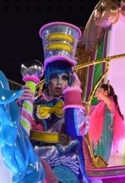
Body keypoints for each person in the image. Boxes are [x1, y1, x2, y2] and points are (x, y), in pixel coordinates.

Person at [18, 22, 90, 183]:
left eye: (64, 78)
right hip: (33, 159)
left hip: (64, 162)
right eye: (55, 77)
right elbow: (19, 133)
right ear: (48, 79)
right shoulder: (34, 103)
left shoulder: (75, 105)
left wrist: (73, 95)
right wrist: (20, 107)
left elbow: (77, 129)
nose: (59, 83)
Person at [88, 82, 125, 164]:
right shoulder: (98, 106)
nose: (98, 92)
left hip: (104, 137)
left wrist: (99, 94)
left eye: (100, 90)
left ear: (106, 92)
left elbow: (108, 101)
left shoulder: (110, 104)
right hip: (98, 138)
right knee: (92, 157)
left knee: (100, 159)